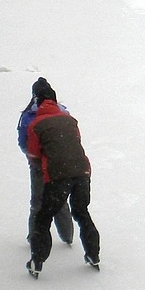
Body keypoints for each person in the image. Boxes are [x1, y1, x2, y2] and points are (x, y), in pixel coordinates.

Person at [25, 81, 101, 278]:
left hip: (58, 175)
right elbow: (75, 142)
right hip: (82, 171)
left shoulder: (35, 124)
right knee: (82, 212)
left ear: (37, 101)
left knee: (43, 217)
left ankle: (37, 260)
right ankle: (93, 254)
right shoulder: (70, 120)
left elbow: (33, 155)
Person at [18, 78, 73, 246]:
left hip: (38, 166)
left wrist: (34, 156)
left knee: (37, 202)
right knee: (60, 201)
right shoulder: (63, 112)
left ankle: (34, 238)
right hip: (60, 164)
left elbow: (23, 143)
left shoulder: (28, 116)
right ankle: (67, 236)